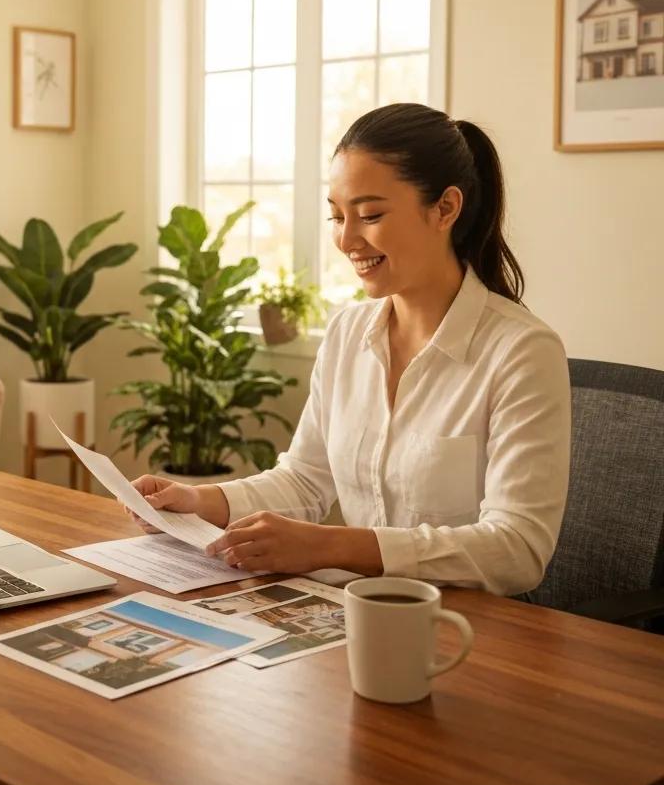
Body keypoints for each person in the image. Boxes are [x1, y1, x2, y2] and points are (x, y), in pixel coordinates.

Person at [127, 103, 571, 596]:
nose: (346, 239)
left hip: (473, 632)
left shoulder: (522, 352)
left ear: (445, 208)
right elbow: (304, 481)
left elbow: (517, 551)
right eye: (337, 216)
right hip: (355, 615)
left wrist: (330, 547)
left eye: (370, 215)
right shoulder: (347, 333)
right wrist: (198, 500)